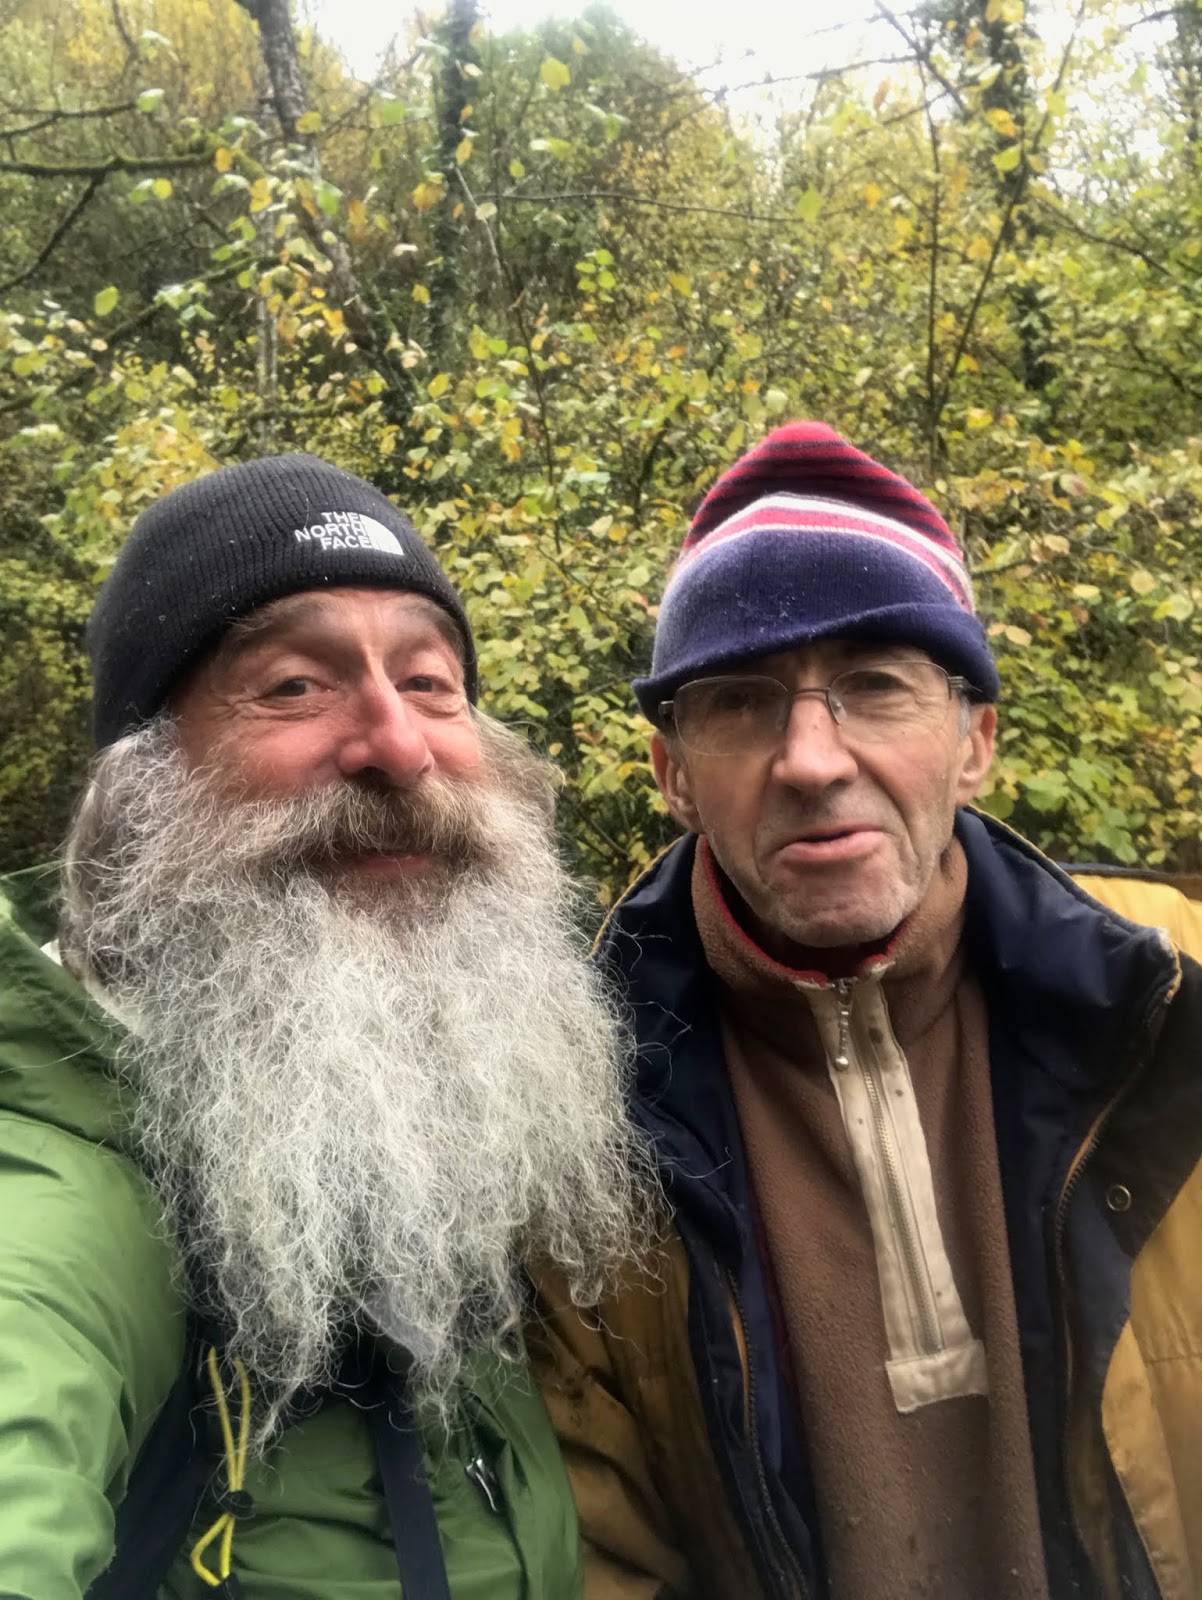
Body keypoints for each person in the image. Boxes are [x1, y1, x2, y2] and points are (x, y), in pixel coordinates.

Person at [530, 421, 1202, 1600]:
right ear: (672, 775)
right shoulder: (573, 1108)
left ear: (974, 742)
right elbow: (594, 1557)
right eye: (740, 702)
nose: (809, 758)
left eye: (876, 685)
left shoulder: (1169, 1001)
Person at [0, 454, 651, 1599]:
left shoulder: (457, 1110)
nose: (398, 745)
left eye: (431, 680)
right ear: (138, 790)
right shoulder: (51, 1198)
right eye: (294, 684)